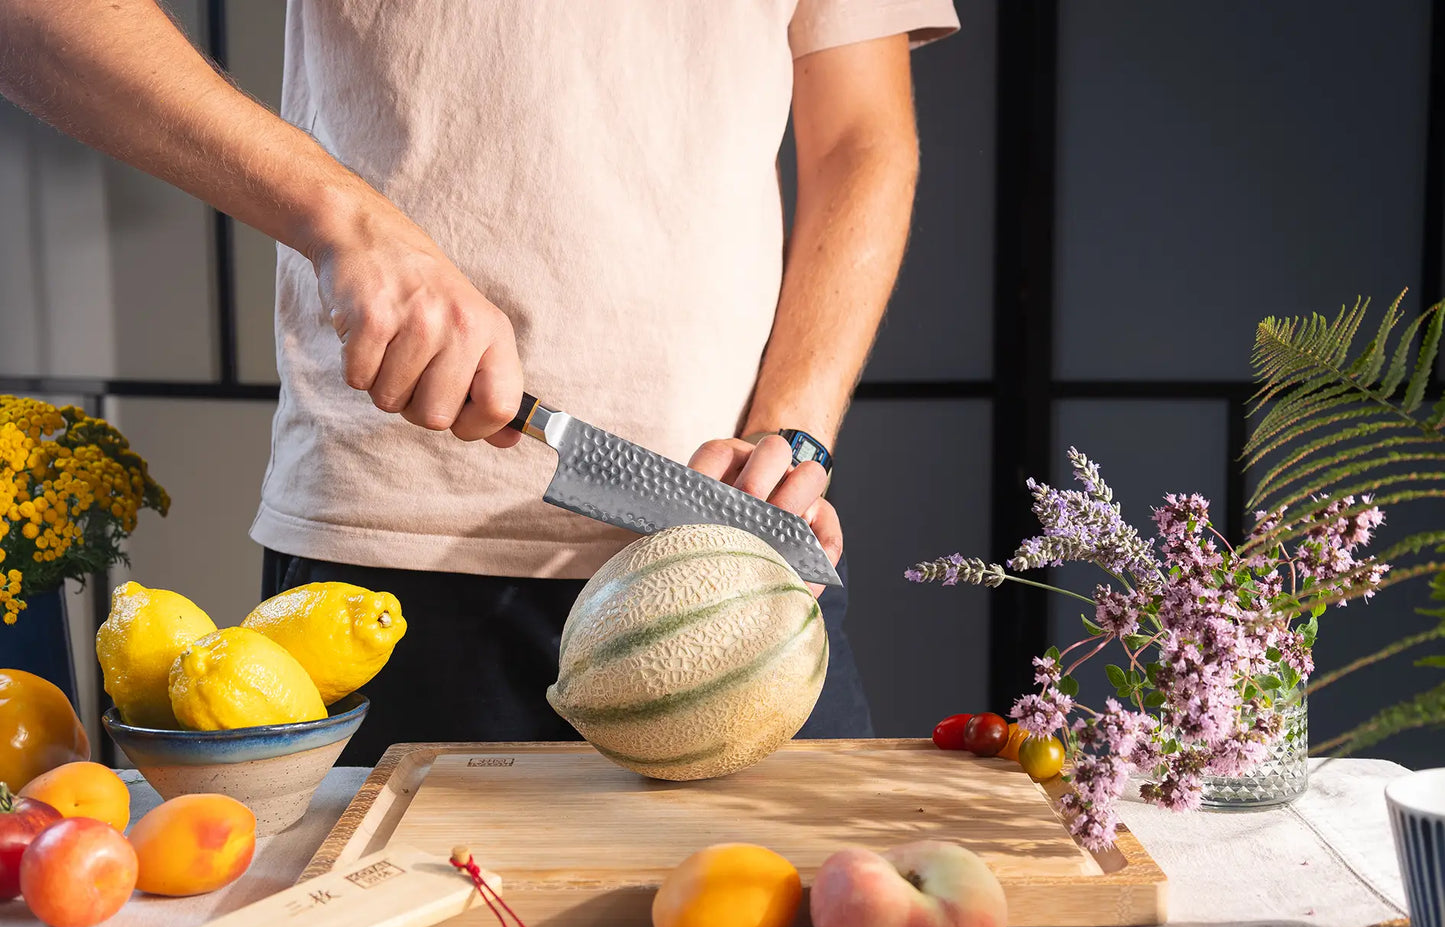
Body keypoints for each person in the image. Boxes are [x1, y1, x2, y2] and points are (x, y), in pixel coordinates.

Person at [0, 0, 959, 763]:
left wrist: (792, 432)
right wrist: (347, 221)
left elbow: (860, 140)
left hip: (744, 560)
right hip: (399, 563)